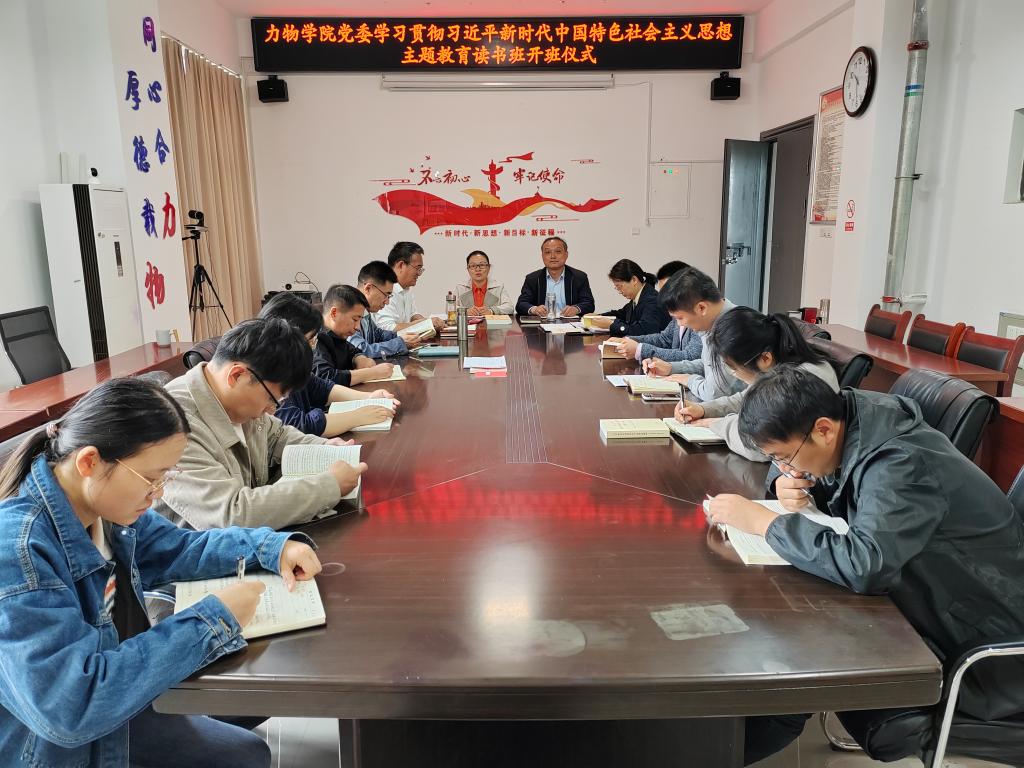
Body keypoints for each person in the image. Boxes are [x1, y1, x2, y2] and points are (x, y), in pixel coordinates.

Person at [706, 365, 1024, 765]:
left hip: (978, 642)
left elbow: (866, 563)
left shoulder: (901, 461)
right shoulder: (853, 418)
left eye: (784, 457)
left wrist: (766, 524)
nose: (785, 466)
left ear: (823, 430)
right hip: (929, 600)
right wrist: (791, 484)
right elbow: (846, 488)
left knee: (791, 660)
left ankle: (706, 750)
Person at [0, 377, 324, 768]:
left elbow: (181, 549)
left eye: (165, 477)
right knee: (244, 756)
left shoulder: (107, 508)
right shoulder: (18, 551)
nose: (158, 493)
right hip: (58, 747)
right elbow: (71, 707)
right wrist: (212, 619)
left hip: (115, 694)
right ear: (89, 462)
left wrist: (270, 547)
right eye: (150, 478)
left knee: (256, 699)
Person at [155, 318, 367, 530]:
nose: (271, 410)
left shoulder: (237, 401)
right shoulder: (172, 424)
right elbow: (230, 515)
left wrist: (324, 448)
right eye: (272, 399)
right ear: (236, 375)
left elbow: (278, 436)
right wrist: (328, 487)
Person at [674, 307, 839, 460]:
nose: (732, 373)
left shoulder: (800, 382)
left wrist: (717, 424)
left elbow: (760, 445)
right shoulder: (783, 365)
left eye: (733, 368)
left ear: (765, 358)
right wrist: (704, 409)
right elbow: (747, 398)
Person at [258, 292, 399, 437]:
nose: (312, 346)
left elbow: (321, 387)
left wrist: (369, 397)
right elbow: (298, 426)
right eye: (310, 340)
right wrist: (358, 416)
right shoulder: (268, 377)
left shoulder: (292, 366)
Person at [643, 267, 743, 402]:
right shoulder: (715, 321)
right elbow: (708, 365)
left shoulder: (732, 329)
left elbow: (713, 393)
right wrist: (671, 368)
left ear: (701, 308)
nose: (679, 324)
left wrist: (689, 379)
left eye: (680, 318)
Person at [606, 261, 702, 363]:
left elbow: (690, 356)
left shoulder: (700, 314)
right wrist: (628, 340)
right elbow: (664, 339)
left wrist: (640, 349)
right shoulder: (679, 309)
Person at [314, 285, 397, 385]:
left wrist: (359, 358)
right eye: (355, 319)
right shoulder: (314, 339)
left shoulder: (337, 335)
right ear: (334, 313)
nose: (358, 327)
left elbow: (352, 350)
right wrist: (373, 373)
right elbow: (324, 377)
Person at [349, 261, 425, 357]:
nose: (387, 302)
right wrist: (400, 343)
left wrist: (403, 336)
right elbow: (361, 350)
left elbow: (379, 335)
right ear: (368, 288)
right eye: (386, 295)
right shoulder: (348, 310)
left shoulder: (366, 312)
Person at [515, 236, 596, 317]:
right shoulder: (532, 279)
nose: (553, 256)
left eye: (558, 251)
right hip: (542, 323)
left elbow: (589, 304)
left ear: (566, 255)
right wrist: (534, 309)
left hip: (570, 322)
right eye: (548, 252)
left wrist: (576, 309)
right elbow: (521, 304)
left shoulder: (579, 277)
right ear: (542, 256)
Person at [585, 259, 669, 336]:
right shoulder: (638, 297)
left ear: (634, 280)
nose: (619, 292)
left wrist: (611, 325)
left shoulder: (652, 300)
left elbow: (644, 331)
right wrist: (598, 317)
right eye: (617, 288)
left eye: (620, 286)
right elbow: (621, 314)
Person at [375, 242, 445, 333]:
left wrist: (430, 323)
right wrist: (426, 324)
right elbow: (387, 328)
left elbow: (413, 315)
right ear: (401, 265)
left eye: (421, 269)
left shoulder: (406, 288)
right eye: (417, 268)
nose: (419, 274)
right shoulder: (383, 289)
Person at [456, 250, 514, 316]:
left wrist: (491, 311)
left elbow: (510, 307)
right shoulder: (460, 287)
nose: (478, 269)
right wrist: (465, 311)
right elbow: (450, 308)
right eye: (473, 266)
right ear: (468, 269)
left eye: (482, 265)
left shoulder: (499, 287)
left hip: (491, 322)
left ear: (489, 268)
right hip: (467, 322)